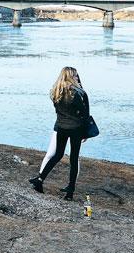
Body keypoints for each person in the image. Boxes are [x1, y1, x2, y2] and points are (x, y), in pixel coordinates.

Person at [29, 66, 90, 201]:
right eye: (75, 75)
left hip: (61, 127)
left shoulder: (56, 92)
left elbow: (60, 112)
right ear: (71, 76)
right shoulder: (78, 93)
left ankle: (40, 179)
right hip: (76, 129)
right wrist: (85, 132)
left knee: (57, 155)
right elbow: (84, 114)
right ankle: (70, 191)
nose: (76, 78)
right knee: (73, 158)